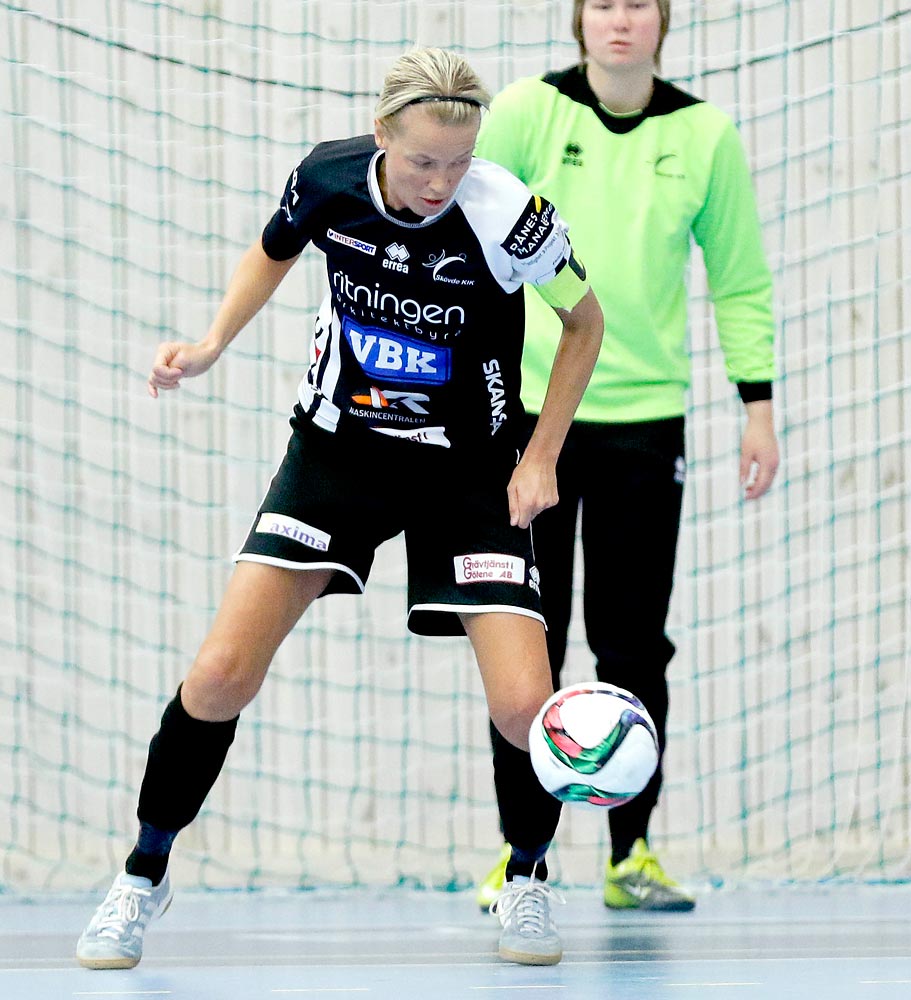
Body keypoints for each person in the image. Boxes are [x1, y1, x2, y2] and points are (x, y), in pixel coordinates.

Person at [74, 47, 603, 970]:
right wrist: (209, 344)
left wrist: (542, 457)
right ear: (382, 136)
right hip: (337, 456)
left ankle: (526, 877)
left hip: (471, 470)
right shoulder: (325, 177)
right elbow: (271, 252)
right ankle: (143, 874)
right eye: (421, 162)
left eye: (458, 160)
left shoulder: (506, 214)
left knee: (527, 708)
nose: (441, 181)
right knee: (220, 673)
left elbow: (584, 322)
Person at [469, 0, 779, 924]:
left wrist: (756, 409)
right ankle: (521, 858)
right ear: (577, 19)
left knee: (633, 643)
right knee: (529, 646)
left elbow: (739, 277)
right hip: (532, 422)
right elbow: (469, 240)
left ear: (662, 21)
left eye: (636, 4)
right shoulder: (529, 112)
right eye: (601, 3)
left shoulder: (704, 133)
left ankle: (628, 851)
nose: (618, 21)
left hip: (646, 424)